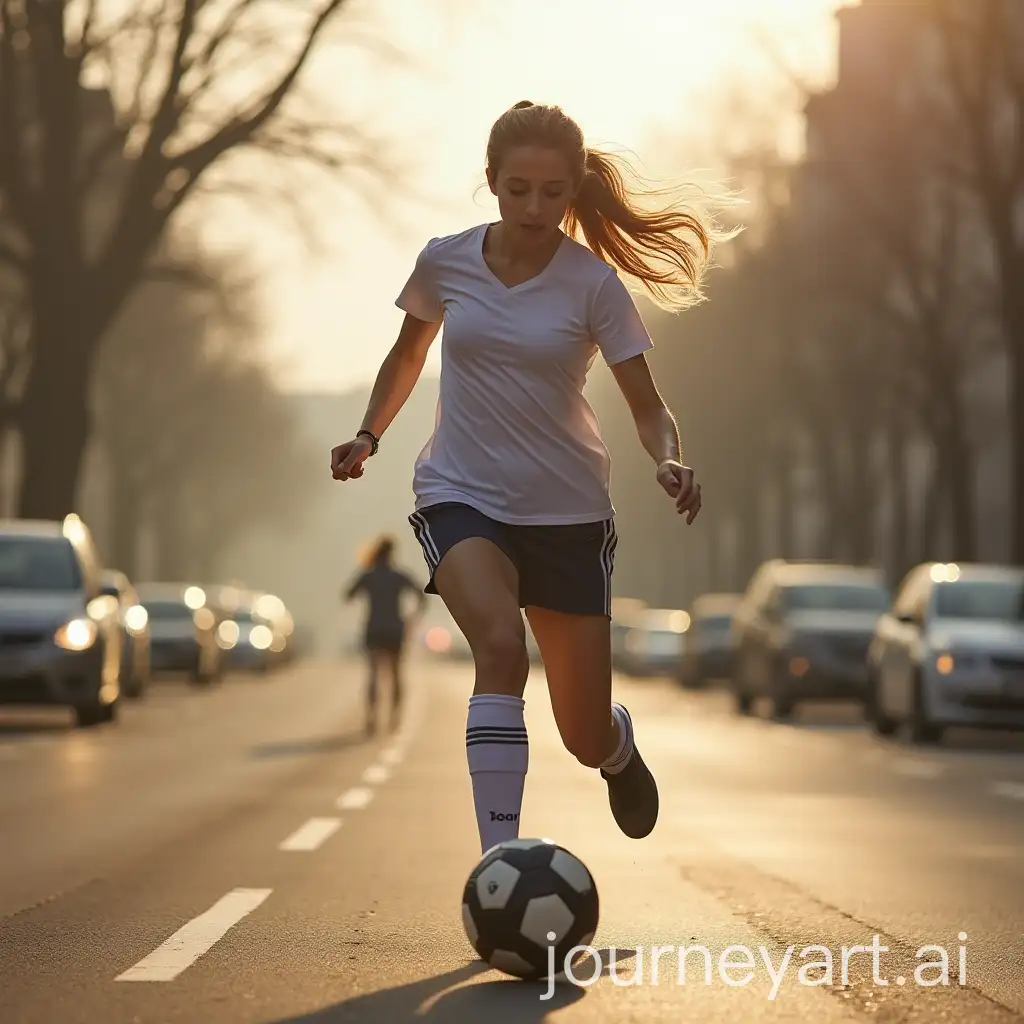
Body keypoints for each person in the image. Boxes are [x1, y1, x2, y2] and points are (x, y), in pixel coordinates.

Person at [331, 101, 711, 855]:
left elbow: (649, 407)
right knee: (500, 648)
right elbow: (409, 356)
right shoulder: (445, 261)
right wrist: (369, 431)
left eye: (552, 192)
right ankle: (497, 862)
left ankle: (615, 748)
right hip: (461, 494)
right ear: (491, 183)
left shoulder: (593, 286)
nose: (535, 208)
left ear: (573, 191)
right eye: (518, 189)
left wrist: (667, 458)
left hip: (566, 512)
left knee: (580, 729)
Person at [343, 534, 426, 735]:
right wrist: (412, 618)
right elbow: (421, 595)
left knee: (373, 674)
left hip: (374, 629)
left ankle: (372, 718)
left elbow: (348, 595)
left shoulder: (368, 575)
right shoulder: (398, 576)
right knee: (396, 673)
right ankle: (394, 718)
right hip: (394, 629)